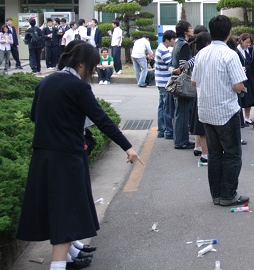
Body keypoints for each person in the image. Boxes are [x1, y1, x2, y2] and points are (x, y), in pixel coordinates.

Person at [16, 42, 142, 270]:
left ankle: (69, 256)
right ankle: (58, 265)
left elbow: (35, 116)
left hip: (43, 157)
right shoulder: (78, 87)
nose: (94, 71)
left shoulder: (46, 82)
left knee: (57, 209)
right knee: (67, 212)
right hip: (67, 158)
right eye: (93, 66)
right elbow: (102, 120)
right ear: (82, 64)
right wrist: (128, 147)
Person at [192, 15, 248, 207]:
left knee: (215, 154)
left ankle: (216, 195)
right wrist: (240, 86)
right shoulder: (230, 54)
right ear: (229, 32)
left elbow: (194, 82)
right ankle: (228, 195)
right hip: (225, 112)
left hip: (206, 112)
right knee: (232, 154)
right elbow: (238, 86)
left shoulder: (201, 53)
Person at [171, 21, 195, 149]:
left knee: (179, 111)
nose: (192, 30)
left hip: (176, 81)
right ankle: (181, 141)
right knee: (183, 112)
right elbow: (183, 66)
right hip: (183, 82)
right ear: (185, 31)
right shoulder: (184, 44)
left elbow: (174, 65)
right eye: (190, 28)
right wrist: (196, 58)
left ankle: (180, 139)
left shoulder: (177, 43)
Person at [190, 31, 211, 161]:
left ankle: (200, 149)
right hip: (208, 93)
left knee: (200, 123)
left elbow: (193, 81)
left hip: (199, 92)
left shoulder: (197, 55)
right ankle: (206, 153)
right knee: (206, 125)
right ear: (208, 43)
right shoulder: (208, 55)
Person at [155, 30, 176, 141]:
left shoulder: (160, 48)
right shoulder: (164, 51)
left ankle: (161, 130)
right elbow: (171, 65)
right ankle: (168, 131)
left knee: (162, 107)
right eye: (173, 39)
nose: (174, 41)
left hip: (160, 81)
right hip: (165, 82)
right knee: (167, 108)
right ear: (167, 40)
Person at [236, 33, 254, 125]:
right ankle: (240, 118)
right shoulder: (236, 51)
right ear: (241, 41)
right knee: (240, 98)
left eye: (249, 42)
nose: (248, 44)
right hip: (239, 78)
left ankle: (247, 117)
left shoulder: (248, 51)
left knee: (249, 97)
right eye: (247, 42)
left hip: (248, 77)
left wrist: (246, 68)